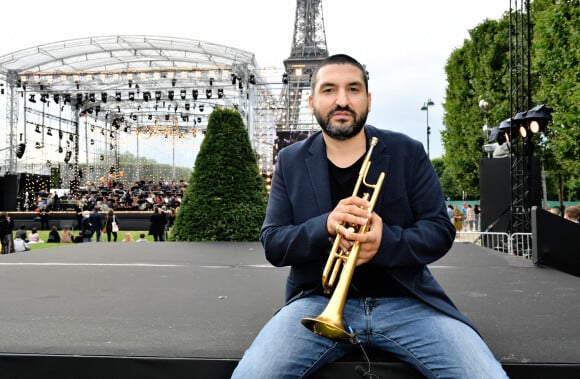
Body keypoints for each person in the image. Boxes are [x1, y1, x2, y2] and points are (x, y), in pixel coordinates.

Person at [232, 54, 507, 378]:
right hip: (316, 303)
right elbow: (274, 242)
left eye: (353, 89)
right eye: (329, 90)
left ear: (369, 99)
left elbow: (439, 229)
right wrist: (324, 226)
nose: (342, 100)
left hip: (407, 302)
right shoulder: (290, 161)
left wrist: (386, 241)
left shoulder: (408, 151)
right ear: (311, 101)